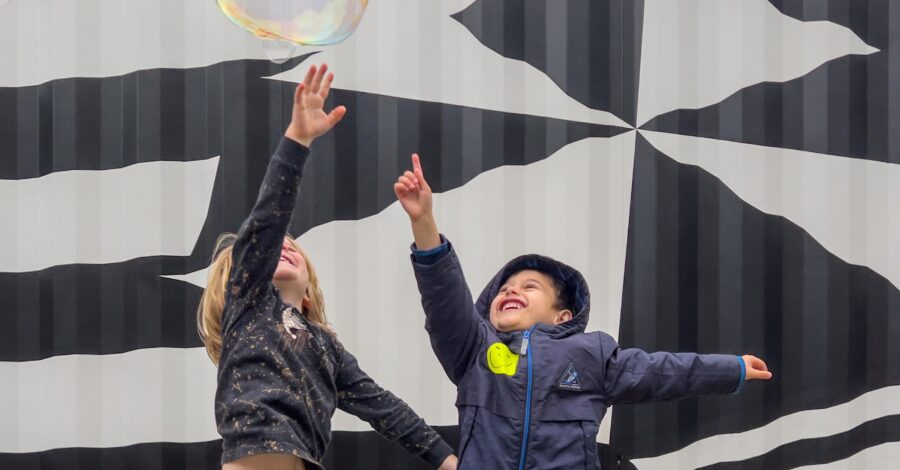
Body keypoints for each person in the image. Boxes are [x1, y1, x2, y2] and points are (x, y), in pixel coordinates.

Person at [393, 154, 772, 469]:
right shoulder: (474, 349)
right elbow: (444, 301)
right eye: (505, 288)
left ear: (563, 316)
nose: (511, 290)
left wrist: (731, 369)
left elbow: (661, 371)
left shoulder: (591, 354)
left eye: (529, 287)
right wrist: (423, 222)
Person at [197, 64, 458, 470]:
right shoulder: (248, 307)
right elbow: (267, 222)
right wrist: (297, 139)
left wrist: (447, 459)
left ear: (309, 286)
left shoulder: (327, 348)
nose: (283, 246)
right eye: (273, 249)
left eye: (293, 247)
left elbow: (384, 408)